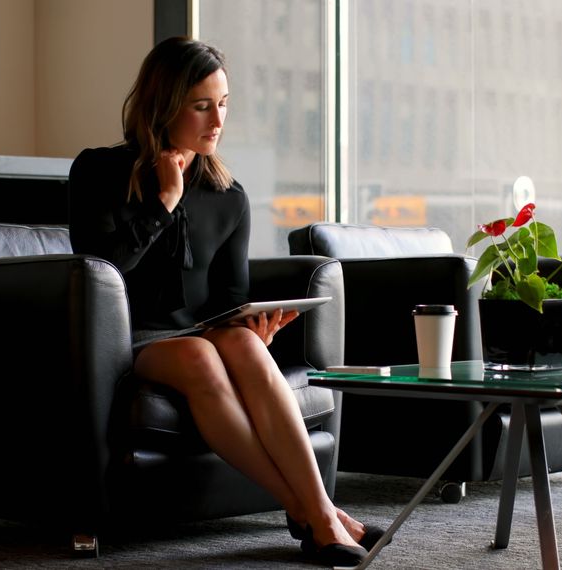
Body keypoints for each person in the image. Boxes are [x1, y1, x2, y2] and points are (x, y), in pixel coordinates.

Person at [67, 37, 380, 566]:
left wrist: (255, 327)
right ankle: (314, 511)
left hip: (202, 333)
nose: (217, 120)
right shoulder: (99, 171)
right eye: (201, 105)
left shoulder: (229, 195)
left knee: (241, 345)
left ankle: (318, 513)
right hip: (131, 339)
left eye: (224, 103)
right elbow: (102, 266)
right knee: (201, 354)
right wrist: (165, 201)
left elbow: (230, 298)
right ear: (164, 105)